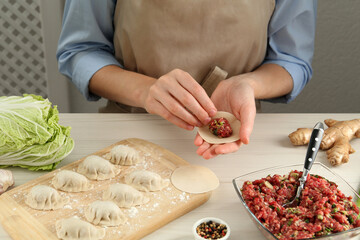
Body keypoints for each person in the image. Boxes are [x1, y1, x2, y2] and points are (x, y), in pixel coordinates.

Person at [57, 0, 317, 160]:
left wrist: (248, 85)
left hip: (238, 143)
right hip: (128, 135)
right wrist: (146, 91)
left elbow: (291, 61)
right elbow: (80, 51)